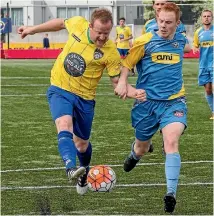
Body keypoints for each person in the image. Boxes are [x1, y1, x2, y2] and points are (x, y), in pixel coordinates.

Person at [18, 8, 146, 195]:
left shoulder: (110, 51)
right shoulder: (77, 24)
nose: (102, 37)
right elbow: (60, 23)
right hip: (60, 88)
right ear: (90, 26)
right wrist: (32, 29)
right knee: (64, 124)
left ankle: (83, 172)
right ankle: (70, 167)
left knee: (82, 145)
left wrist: (132, 92)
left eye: (106, 33)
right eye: (99, 32)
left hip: (85, 99)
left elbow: (117, 82)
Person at [115, 2, 191, 213]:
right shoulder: (144, 41)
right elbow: (127, 64)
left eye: (169, 22)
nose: (164, 26)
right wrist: (122, 82)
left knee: (171, 142)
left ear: (178, 23)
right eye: (161, 21)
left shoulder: (181, 39)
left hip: (174, 102)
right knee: (141, 146)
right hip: (146, 104)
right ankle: (137, 153)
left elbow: (187, 46)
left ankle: (170, 193)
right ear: (156, 20)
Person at [193, 10, 213, 119]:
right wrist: (195, 48)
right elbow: (195, 45)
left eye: (209, 16)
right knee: (208, 89)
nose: (206, 18)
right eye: (204, 16)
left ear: (212, 18)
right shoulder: (198, 32)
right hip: (203, 65)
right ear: (201, 18)